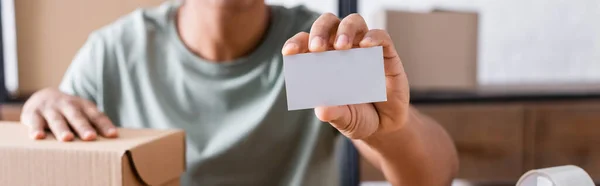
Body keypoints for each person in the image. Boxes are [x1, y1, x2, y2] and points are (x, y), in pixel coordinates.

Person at [20, 0, 458, 185]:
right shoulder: (112, 53)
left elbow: (433, 177)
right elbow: (59, 142)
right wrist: (44, 103)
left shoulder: (317, 50)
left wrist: (389, 132)